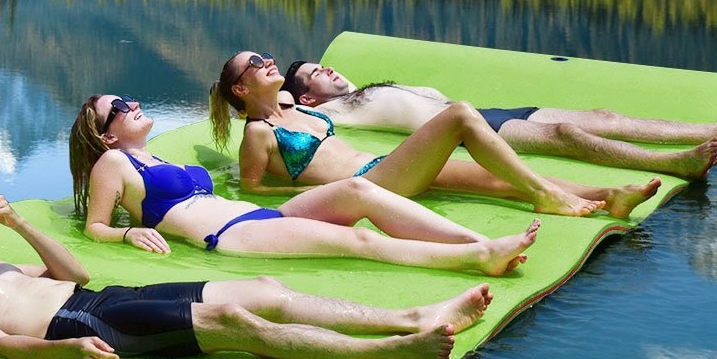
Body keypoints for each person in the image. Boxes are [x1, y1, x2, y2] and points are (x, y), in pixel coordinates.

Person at [0, 179, 494, 359]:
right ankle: (390, 352)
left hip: (101, 297)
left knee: (263, 291)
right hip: (76, 324)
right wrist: (70, 350)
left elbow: (73, 270)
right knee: (233, 320)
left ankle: (411, 315)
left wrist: (20, 224)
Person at [69, 95, 541, 276]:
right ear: (106, 134)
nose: (131, 104)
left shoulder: (157, 156)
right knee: (357, 240)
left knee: (359, 192)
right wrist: (127, 232)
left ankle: (479, 241)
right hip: (230, 236)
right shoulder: (113, 161)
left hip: (256, 219)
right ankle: (476, 258)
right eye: (119, 107)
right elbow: (95, 226)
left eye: (129, 99)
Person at [211, 51, 667, 220]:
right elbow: (255, 188)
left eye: (265, 56)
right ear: (240, 89)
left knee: (494, 179)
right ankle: (549, 197)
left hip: (381, 170)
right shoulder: (257, 132)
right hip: (370, 185)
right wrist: (328, 192)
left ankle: (610, 194)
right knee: (461, 116)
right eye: (253, 64)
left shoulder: (290, 105)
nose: (265, 61)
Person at [282, 58, 717, 177]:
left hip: (484, 111)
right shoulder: (331, 114)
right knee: (565, 134)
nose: (325, 70)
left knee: (599, 115)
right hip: (467, 131)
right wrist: (281, 95)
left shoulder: (372, 87)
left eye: (323, 65)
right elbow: (273, 111)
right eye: (314, 75)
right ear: (306, 97)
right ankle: (671, 164)